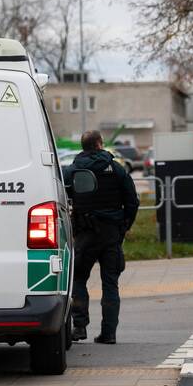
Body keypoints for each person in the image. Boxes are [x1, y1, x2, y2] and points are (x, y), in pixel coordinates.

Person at [64, 130, 140, 344]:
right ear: (99, 144)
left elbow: (62, 192)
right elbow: (132, 201)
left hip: (86, 234)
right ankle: (109, 333)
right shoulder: (116, 169)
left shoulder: (74, 169)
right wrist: (124, 227)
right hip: (111, 234)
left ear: (84, 146)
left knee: (78, 279)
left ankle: (79, 327)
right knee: (110, 284)